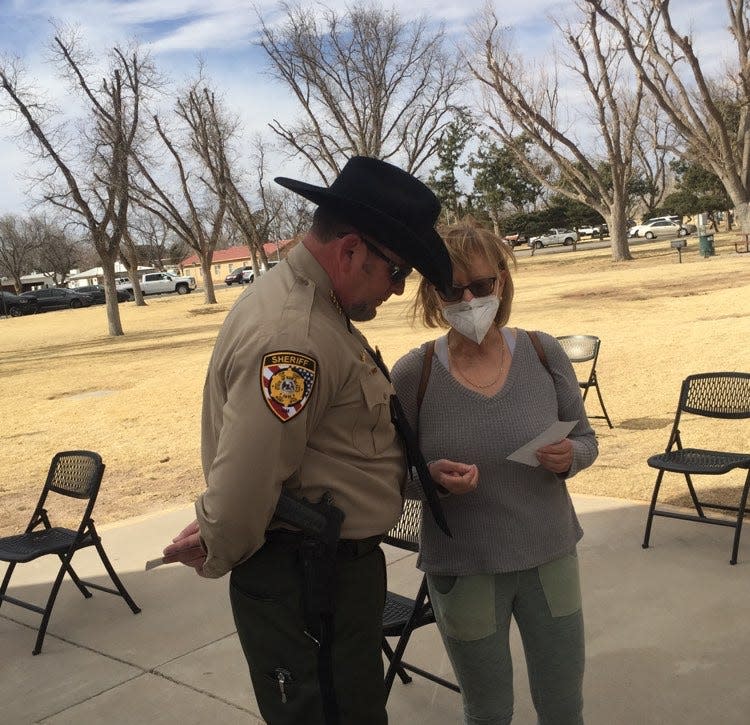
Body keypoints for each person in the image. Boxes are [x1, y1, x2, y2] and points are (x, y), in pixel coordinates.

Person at [161, 156, 453, 725]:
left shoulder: (313, 307)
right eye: (397, 272)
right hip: (310, 580)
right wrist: (221, 540)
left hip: (324, 573)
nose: (397, 291)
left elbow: (325, 451)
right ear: (349, 251)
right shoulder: (296, 333)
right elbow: (247, 481)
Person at [391, 218, 599, 725]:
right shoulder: (412, 374)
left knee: (562, 703)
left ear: (501, 282)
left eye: (480, 286)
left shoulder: (543, 351)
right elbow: (392, 475)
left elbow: (587, 440)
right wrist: (431, 480)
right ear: (432, 294)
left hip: (548, 556)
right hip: (465, 567)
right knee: (487, 710)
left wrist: (570, 456)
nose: (468, 300)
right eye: (451, 288)